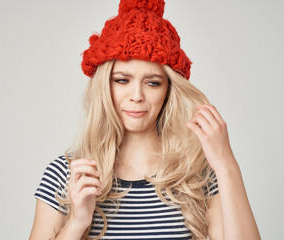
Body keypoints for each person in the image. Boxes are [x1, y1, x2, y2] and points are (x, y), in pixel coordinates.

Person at [29, 0, 260, 239]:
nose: (137, 96)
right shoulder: (66, 174)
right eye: (122, 80)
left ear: (169, 89)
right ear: (104, 85)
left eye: (152, 83)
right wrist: (77, 223)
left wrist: (227, 166)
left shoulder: (198, 176)